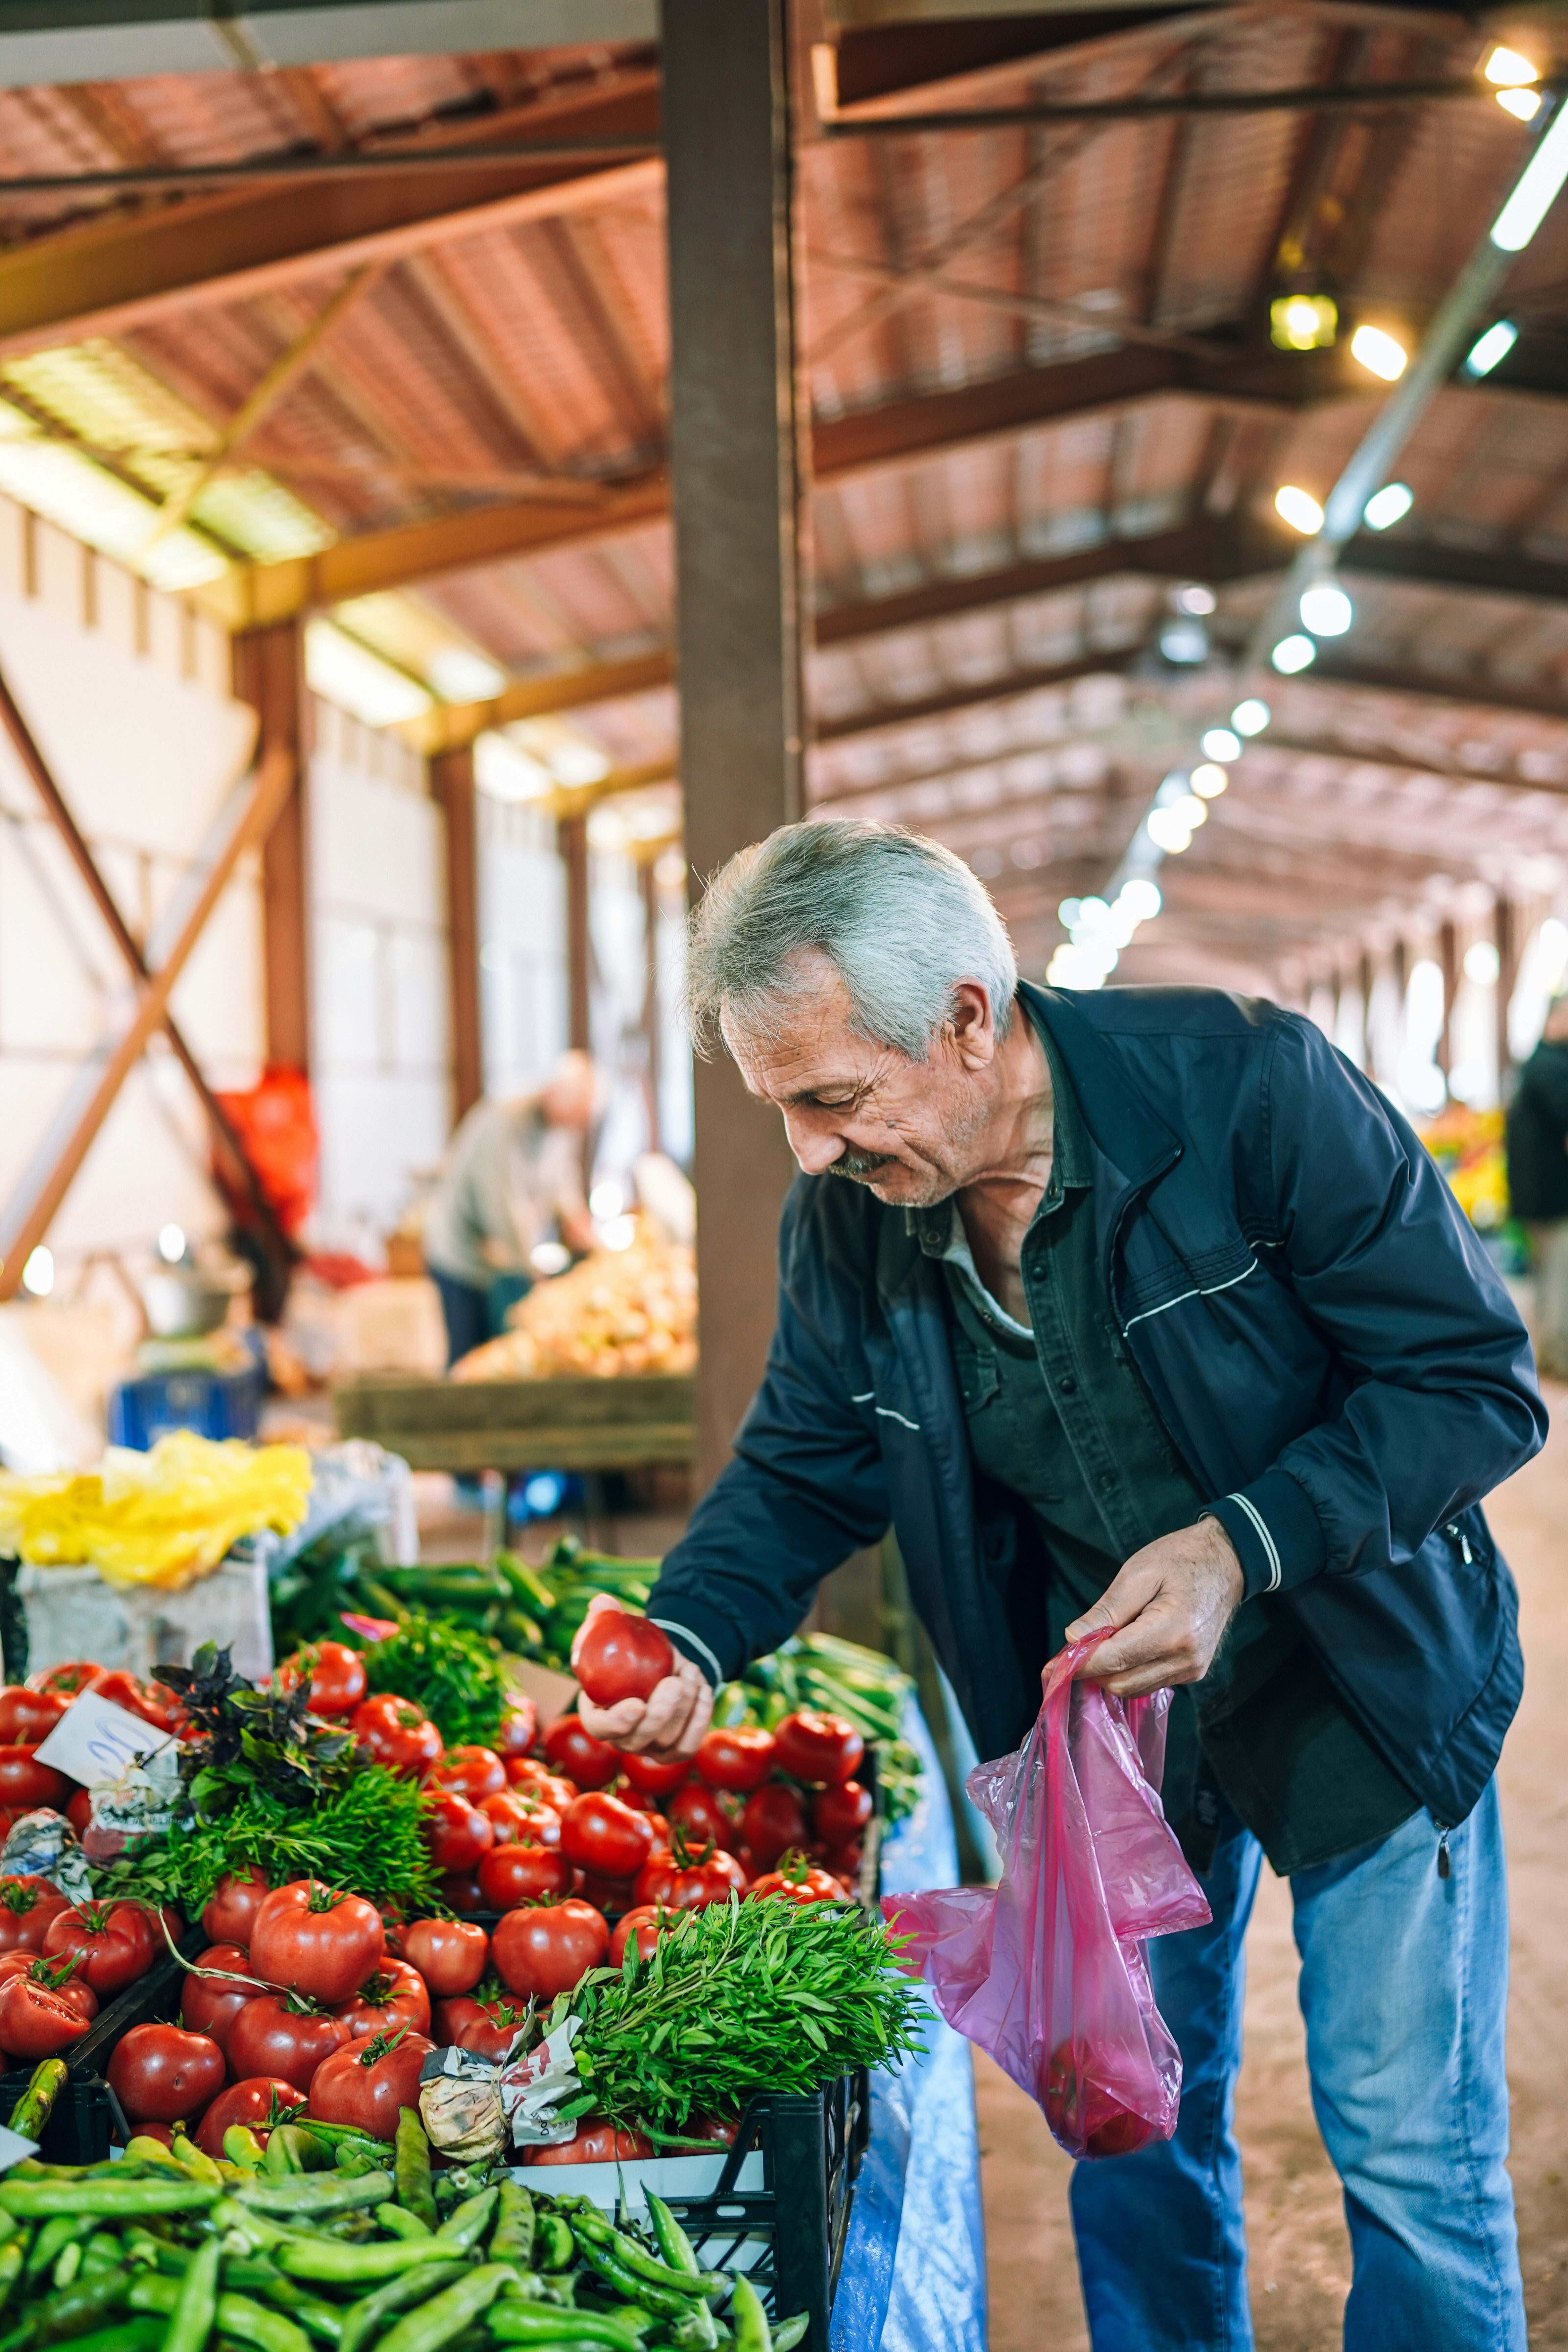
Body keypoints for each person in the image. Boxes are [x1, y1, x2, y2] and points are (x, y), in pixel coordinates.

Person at [577, 820, 1544, 2352]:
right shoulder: (850, 1222)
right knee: (1132, 2130)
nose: (812, 1150)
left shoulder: (1244, 1094)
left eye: (832, 1096)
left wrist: (1240, 1539)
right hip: (1114, 1751)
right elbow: (798, 1466)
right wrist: (690, 1620)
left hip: (1364, 1685)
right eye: (783, 1109)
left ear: (968, 1016)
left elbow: (1469, 1379)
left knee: (1401, 2147)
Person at [423, 1050, 599, 1366]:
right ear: (554, 1097)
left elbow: (563, 1181)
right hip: (461, 1255)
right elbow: (502, 1207)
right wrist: (534, 1274)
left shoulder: (560, 1127)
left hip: (500, 1258)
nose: (575, 1129)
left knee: (498, 1354)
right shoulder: (505, 1123)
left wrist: (581, 1225)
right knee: (468, 1356)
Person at [1506, 991, 1568, 1377]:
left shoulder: (1538, 1063)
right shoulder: (1550, 1066)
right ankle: (1557, 1353)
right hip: (1553, 1195)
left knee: (1549, 1274)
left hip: (1539, 1194)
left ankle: (1549, 1350)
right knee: (1558, 1275)